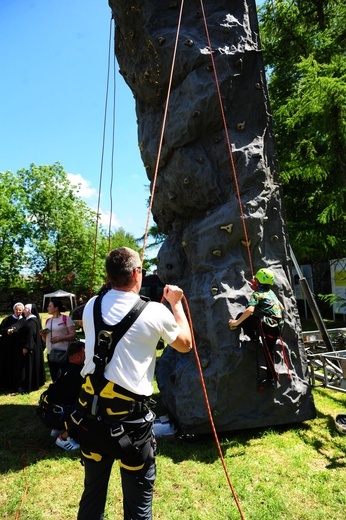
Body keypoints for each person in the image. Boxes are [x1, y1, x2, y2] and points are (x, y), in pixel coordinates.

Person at [76, 246, 192, 520]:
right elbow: (185, 344)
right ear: (137, 273)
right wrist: (175, 303)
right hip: (131, 427)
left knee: (92, 495)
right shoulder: (154, 311)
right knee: (138, 506)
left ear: (109, 275)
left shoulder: (91, 305)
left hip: (91, 419)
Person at [228, 268, 284, 386]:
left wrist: (236, 322)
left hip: (267, 325)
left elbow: (249, 310)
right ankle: (271, 380)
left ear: (258, 282)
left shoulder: (257, 294)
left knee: (242, 316)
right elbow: (282, 308)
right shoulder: (271, 293)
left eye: (255, 280)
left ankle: (253, 338)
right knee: (269, 352)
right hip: (277, 327)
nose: (253, 282)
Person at [37, 340, 85, 451]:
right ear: (78, 358)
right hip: (59, 414)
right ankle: (64, 438)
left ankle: (58, 428)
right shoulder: (79, 373)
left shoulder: (62, 367)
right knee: (86, 411)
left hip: (48, 411)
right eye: (84, 354)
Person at [41, 298, 76, 381]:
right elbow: (46, 340)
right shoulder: (48, 321)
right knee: (55, 377)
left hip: (63, 353)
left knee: (65, 378)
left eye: (49, 306)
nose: (47, 308)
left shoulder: (65, 319)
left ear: (56, 308)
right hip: (51, 353)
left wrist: (60, 338)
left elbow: (73, 335)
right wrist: (43, 335)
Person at [0, 302, 25, 392]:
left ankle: (17, 385)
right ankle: (5, 384)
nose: (18, 311)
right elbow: (1, 330)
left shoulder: (24, 320)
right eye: (16, 309)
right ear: (14, 310)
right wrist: (7, 331)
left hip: (18, 346)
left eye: (20, 310)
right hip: (7, 346)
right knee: (6, 365)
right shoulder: (7, 320)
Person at [21, 303, 46, 393]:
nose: (24, 311)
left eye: (25, 309)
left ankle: (30, 385)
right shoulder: (31, 320)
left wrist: (26, 347)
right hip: (34, 347)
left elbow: (30, 336)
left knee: (30, 366)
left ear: (30, 311)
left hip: (31, 348)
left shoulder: (32, 322)